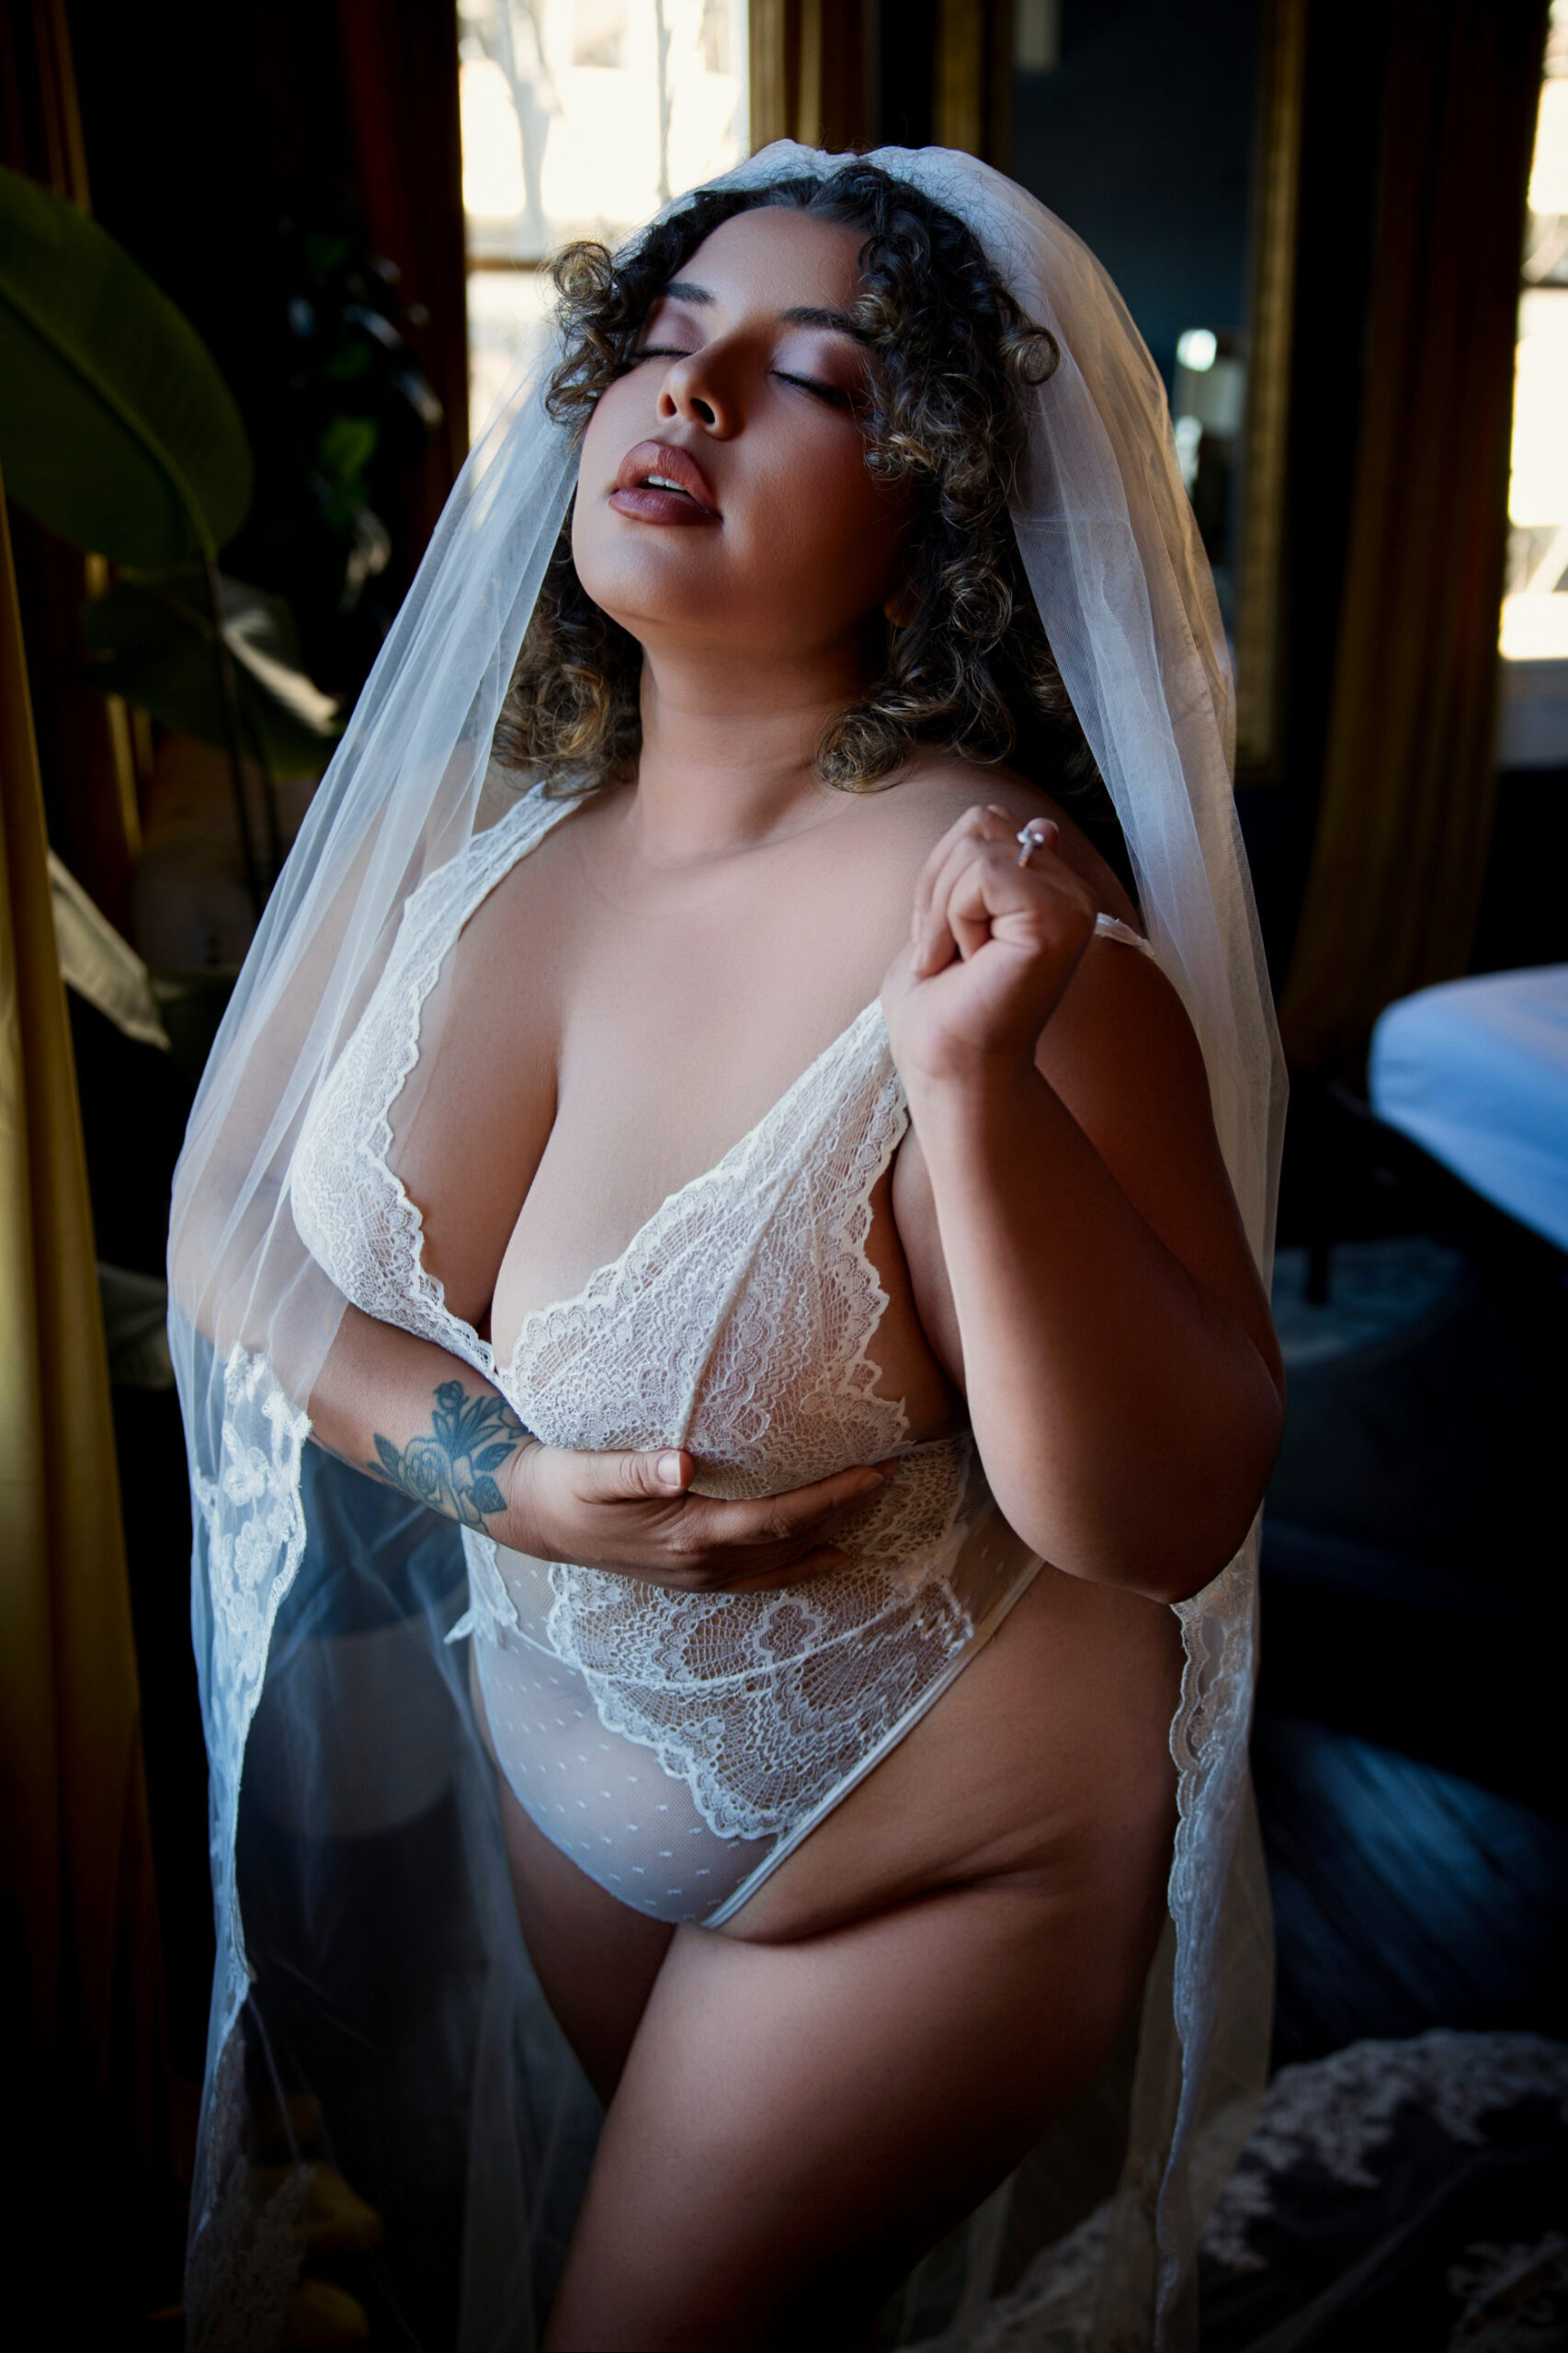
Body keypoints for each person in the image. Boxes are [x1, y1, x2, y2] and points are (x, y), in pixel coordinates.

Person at [171, 147, 1284, 2353]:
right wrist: (498, 1470)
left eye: (806, 378)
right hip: (584, 1787)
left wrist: (967, 1087)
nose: (688, 404)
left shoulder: (1001, 913)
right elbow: (224, 1222)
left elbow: (1164, 1514)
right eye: (664, 349)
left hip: (928, 1852)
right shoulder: (481, 851)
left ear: (936, 501)